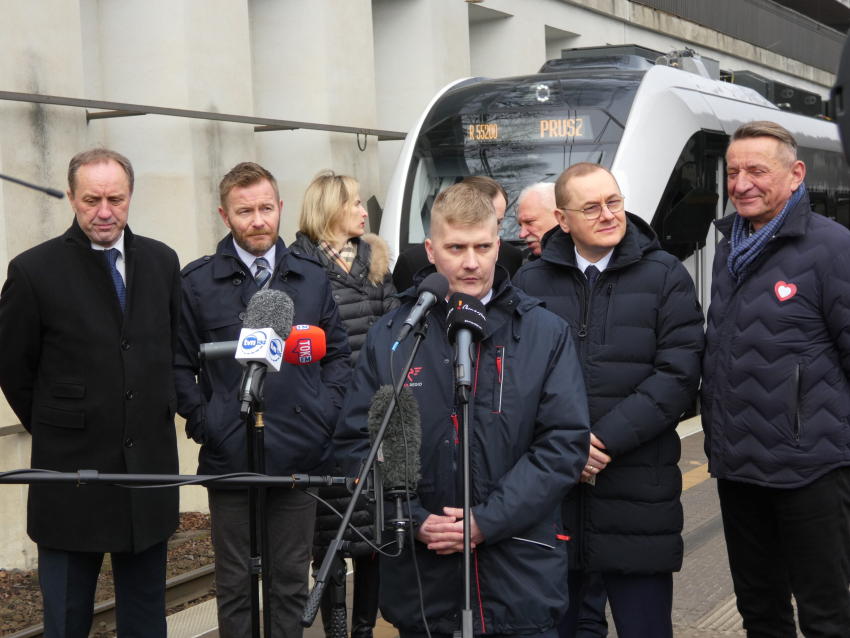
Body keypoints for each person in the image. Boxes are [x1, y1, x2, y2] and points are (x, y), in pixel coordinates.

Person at [335, 182, 591, 637]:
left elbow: (562, 445)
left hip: (519, 583)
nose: (471, 262)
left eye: (483, 247)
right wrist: (414, 520)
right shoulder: (392, 337)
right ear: (431, 250)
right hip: (422, 583)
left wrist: (486, 521)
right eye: (456, 247)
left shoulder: (544, 332)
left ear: (499, 246)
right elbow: (360, 443)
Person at [514, 162, 704, 638]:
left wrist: (598, 442)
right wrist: (563, 447)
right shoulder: (529, 283)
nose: (607, 215)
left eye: (613, 202)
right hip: (552, 497)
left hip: (638, 495)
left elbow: (678, 376)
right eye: (591, 207)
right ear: (562, 219)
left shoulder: (666, 276)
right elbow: (512, 381)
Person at [0, 149, 181, 638]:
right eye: (92, 200)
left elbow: (170, 350)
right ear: (72, 198)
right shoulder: (34, 271)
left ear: (130, 197)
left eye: (115, 199)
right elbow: (13, 367)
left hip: (146, 476)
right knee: (67, 620)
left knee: (146, 622)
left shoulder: (163, 262)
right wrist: (61, 425)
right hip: (69, 480)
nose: (105, 212)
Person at [173, 162, 351, 638]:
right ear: (224, 215)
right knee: (234, 587)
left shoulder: (312, 279)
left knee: (290, 583)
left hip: (299, 452)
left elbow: (337, 356)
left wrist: (325, 414)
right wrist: (205, 421)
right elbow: (177, 368)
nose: (257, 221)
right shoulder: (196, 284)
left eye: (265, 209)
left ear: (280, 208)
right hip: (230, 456)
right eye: (244, 211)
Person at [702, 121, 850, 635]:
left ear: (795, 176)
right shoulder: (729, 249)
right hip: (739, 465)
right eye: (734, 171)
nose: (741, 183)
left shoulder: (833, 248)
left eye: (757, 171)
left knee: (827, 613)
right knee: (760, 610)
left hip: (811, 469)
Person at [293, 169, 399, 638]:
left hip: (375, 418)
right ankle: (336, 621)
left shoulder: (376, 261)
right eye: (355, 203)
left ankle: (363, 627)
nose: (363, 211)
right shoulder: (299, 265)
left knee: (373, 535)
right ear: (331, 210)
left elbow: (396, 332)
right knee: (329, 534)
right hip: (324, 420)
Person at [391, 175, 522, 292]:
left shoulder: (512, 256)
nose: (472, 264)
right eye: (456, 247)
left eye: (498, 221)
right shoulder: (411, 261)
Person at [516, 182, 560, 259]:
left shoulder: (585, 261)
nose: (521, 235)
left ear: (560, 217)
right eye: (520, 225)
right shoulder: (526, 269)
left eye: (529, 222)